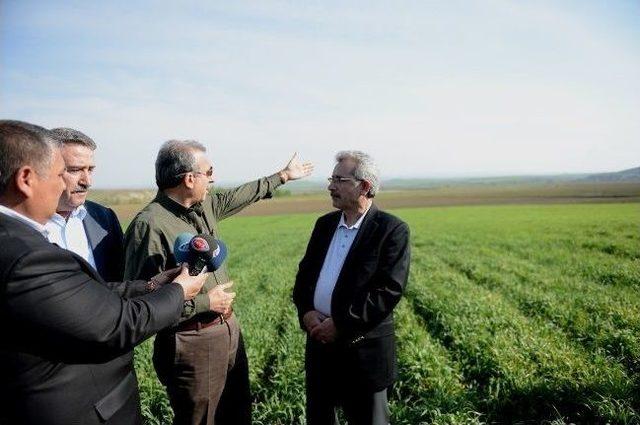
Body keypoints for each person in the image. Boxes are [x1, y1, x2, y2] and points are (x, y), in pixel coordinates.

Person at [0, 120, 210, 425]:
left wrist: (151, 285)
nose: (72, 183)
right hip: (77, 406)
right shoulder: (25, 253)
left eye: (90, 170)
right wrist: (179, 291)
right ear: (26, 179)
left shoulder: (97, 219)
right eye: (64, 173)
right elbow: (113, 322)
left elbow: (88, 293)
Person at [123, 140, 313, 425]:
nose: (213, 178)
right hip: (191, 340)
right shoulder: (150, 226)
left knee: (237, 412)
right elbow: (142, 303)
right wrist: (205, 302)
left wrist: (283, 176)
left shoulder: (205, 204)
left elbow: (242, 195)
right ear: (189, 179)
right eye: (208, 171)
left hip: (227, 329)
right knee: (201, 419)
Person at [292, 151, 410, 425]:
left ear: (365, 186)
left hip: (363, 352)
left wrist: (341, 324)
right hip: (320, 346)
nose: (331, 186)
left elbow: (388, 291)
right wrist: (307, 312)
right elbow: (304, 277)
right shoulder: (324, 225)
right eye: (331, 179)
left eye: (339, 179)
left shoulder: (391, 230)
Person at [46, 127, 125, 282]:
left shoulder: (104, 218)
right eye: (75, 170)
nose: (87, 181)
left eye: (90, 170)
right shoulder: (20, 224)